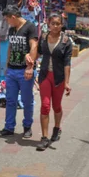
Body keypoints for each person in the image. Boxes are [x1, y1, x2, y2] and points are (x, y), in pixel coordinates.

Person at [0, 5, 38, 139]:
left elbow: (34, 46)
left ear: (13, 17)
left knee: (27, 100)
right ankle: (9, 127)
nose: (7, 22)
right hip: (12, 70)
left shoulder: (30, 27)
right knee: (10, 99)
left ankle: (27, 126)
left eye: (7, 19)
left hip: (24, 71)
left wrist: (30, 67)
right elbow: (10, 47)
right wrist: (7, 65)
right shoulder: (12, 29)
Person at [33, 14, 73, 151]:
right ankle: (44, 138)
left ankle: (57, 128)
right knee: (45, 106)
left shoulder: (66, 41)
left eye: (58, 24)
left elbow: (67, 63)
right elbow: (37, 53)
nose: (55, 26)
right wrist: (29, 63)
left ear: (62, 25)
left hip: (58, 78)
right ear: (48, 24)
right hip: (44, 76)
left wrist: (67, 82)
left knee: (56, 106)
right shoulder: (43, 37)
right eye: (53, 23)